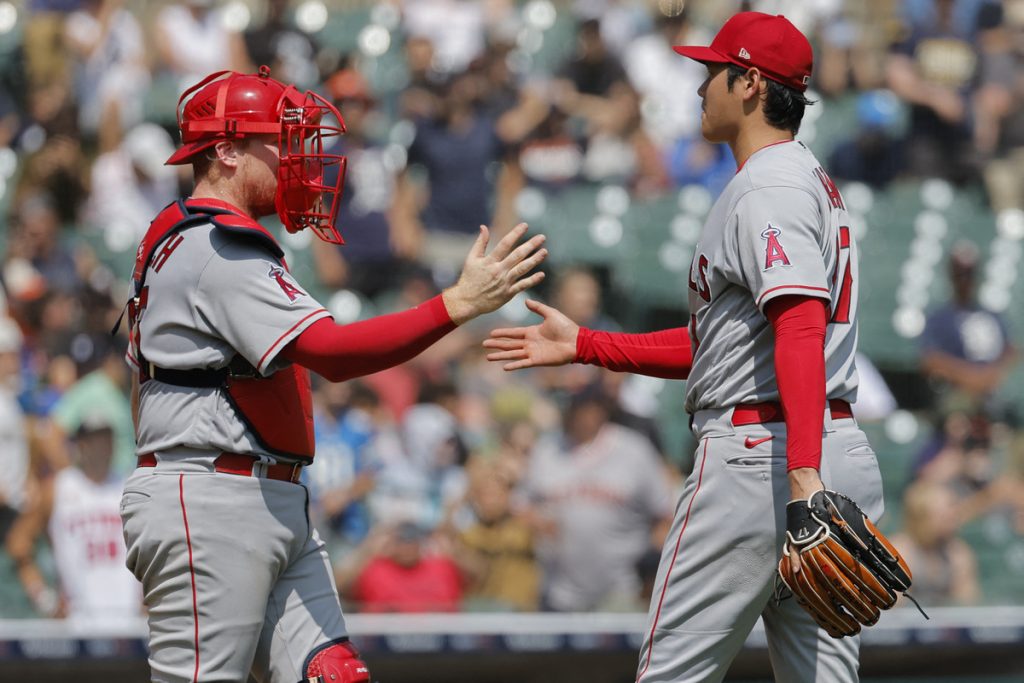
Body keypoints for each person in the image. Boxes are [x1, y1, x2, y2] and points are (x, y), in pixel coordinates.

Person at [486, 12, 887, 681]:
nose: (701, 87)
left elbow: (798, 325)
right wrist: (588, 343)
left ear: (751, 83)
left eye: (712, 72)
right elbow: (724, 346)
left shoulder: (769, 185)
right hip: (819, 448)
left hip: (766, 460)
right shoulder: (807, 180)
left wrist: (802, 474)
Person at [119, 66, 546, 683]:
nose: (299, 156)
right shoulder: (216, 247)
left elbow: (145, 384)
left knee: (333, 675)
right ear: (229, 151)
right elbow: (336, 354)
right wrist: (456, 305)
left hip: (259, 490)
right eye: (281, 140)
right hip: (212, 496)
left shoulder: (189, 237)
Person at [7, 413, 142, 626]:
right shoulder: (59, 488)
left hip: (130, 620)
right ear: (80, 445)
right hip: (77, 621)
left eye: (106, 439)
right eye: (93, 440)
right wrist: (45, 600)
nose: (101, 446)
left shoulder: (131, 487)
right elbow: (18, 544)